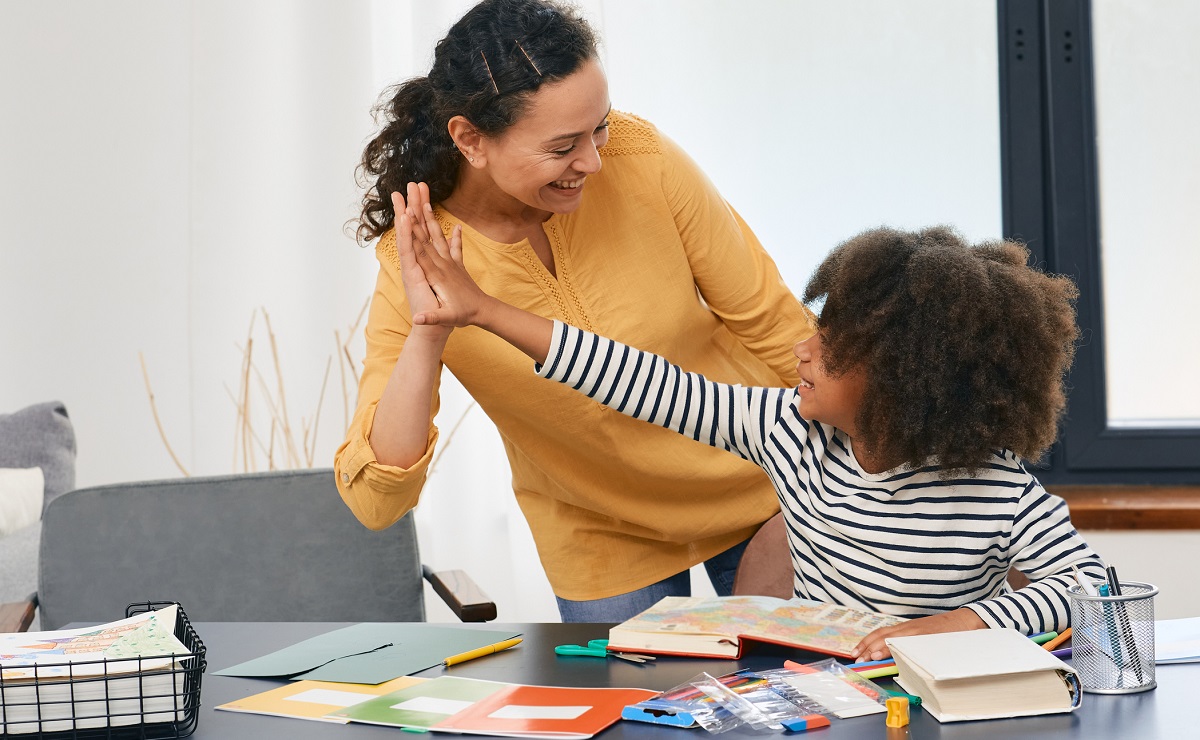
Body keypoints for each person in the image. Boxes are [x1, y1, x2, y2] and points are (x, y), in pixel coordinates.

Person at [395, 216, 1108, 659]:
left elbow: (1091, 586)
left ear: (903, 381)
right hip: (825, 703)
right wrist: (485, 310)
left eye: (830, 348)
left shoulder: (994, 486)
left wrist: (954, 625)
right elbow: (640, 380)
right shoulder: (790, 434)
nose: (803, 350)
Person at [334, 0, 814, 622]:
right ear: (470, 139)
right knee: (631, 719)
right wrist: (429, 333)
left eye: (600, 127)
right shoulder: (419, 256)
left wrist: (822, 494)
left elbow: (776, 325)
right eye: (563, 146)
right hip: (600, 532)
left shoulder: (643, 160)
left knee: (805, 703)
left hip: (760, 487)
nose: (592, 161)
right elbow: (378, 500)